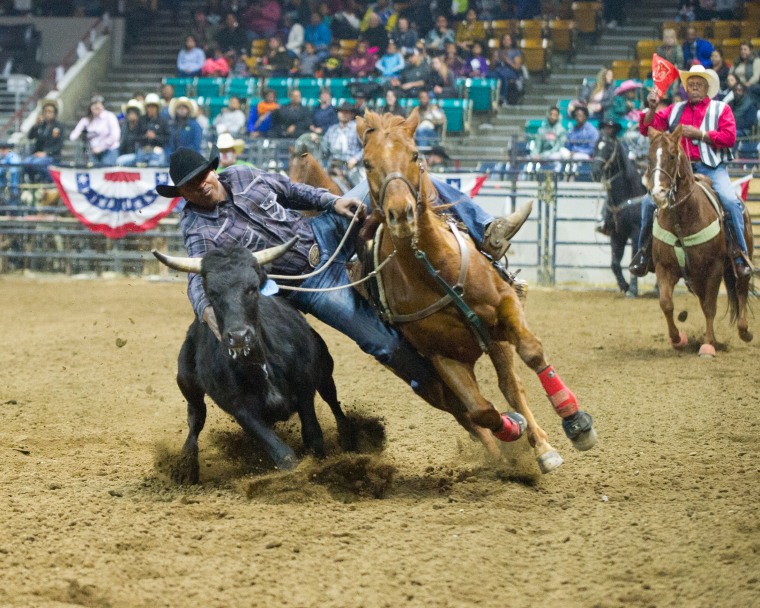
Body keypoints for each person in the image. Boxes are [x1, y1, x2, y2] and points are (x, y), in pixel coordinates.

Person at [154, 148, 533, 445]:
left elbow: (291, 191)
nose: (200, 185)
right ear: (182, 194)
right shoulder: (198, 227)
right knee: (380, 342)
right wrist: (207, 313)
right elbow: (200, 275)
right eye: (190, 185)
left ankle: (486, 229)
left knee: (395, 181)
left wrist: (331, 202)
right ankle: (444, 389)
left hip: (323, 233)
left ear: (212, 170)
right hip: (308, 284)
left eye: (202, 175)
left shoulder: (244, 175)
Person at [629, 65, 752, 279]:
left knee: (731, 202)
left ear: (706, 88)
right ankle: (644, 253)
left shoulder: (720, 109)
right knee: (649, 203)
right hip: (678, 171)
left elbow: (729, 137)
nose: (693, 87)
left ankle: (739, 255)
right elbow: (647, 128)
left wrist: (701, 134)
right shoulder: (675, 109)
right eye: (690, 84)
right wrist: (651, 108)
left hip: (712, 167)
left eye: (698, 84)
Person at [320, 102, 365, 187]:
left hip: (352, 168)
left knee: (361, 190)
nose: (343, 114)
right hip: (333, 167)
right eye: (341, 111)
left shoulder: (357, 128)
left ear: (352, 115)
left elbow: (366, 148)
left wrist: (355, 159)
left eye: (347, 112)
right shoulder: (332, 130)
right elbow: (324, 149)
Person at [69, 95, 121, 167]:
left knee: (106, 169)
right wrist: (79, 134)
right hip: (93, 152)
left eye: (99, 105)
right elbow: (73, 136)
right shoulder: (86, 120)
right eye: (94, 105)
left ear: (103, 106)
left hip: (109, 150)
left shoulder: (110, 117)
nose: (96, 108)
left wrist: (101, 147)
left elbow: (115, 136)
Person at [24, 98, 64, 183]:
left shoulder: (59, 126)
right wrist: (35, 125)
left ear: (54, 113)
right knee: (26, 162)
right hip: (37, 155)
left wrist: (46, 153)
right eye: (46, 111)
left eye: (50, 112)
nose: (48, 114)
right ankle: (33, 183)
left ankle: (51, 182)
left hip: (52, 156)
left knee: (37, 163)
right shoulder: (41, 126)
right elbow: (30, 137)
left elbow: (59, 145)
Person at [134, 93, 169, 166]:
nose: (151, 109)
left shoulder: (163, 121)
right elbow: (135, 137)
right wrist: (145, 136)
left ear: (157, 108)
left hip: (157, 150)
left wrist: (155, 137)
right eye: (149, 106)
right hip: (143, 149)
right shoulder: (141, 120)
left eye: (153, 106)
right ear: (146, 108)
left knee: (154, 164)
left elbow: (167, 138)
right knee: (139, 165)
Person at [116, 98, 146, 166]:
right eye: (130, 113)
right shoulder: (124, 126)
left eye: (134, 113)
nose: (132, 115)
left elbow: (142, 140)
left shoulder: (142, 125)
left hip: (139, 154)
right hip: (126, 153)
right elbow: (122, 142)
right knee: (119, 160)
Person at [0, 141, 20, 208]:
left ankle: (12, 208)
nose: (3, 151)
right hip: (2, 182)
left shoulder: (13, 156)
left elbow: (13, 170)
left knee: (13, 194)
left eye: (5, 149)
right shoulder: (1, 157)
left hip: (12, 181)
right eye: (1, 149)